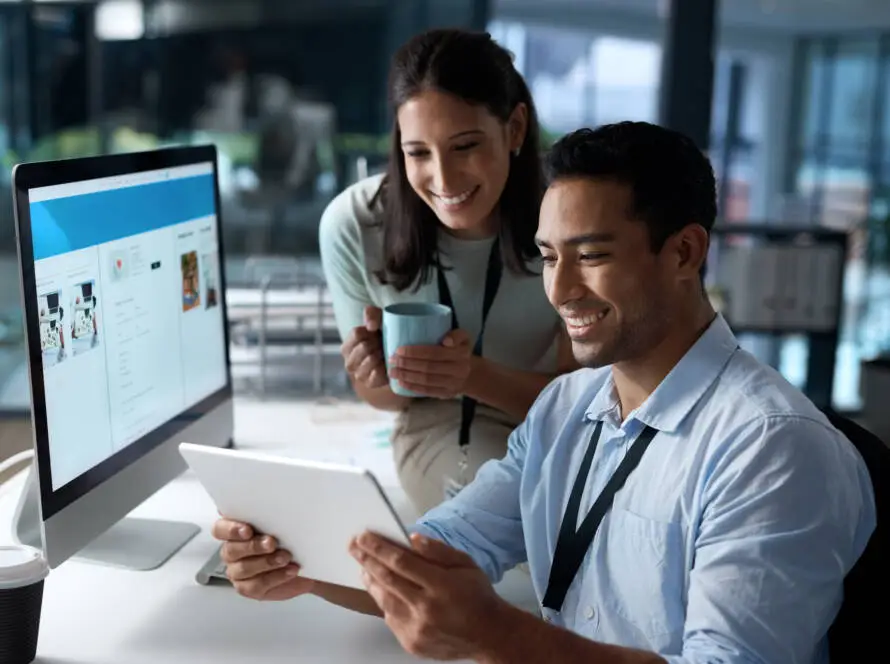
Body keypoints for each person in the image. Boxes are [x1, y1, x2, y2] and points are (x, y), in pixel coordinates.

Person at [213, 122, 877, 663]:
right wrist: (300, 566)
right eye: (550, 257)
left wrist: (496, 633)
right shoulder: (568, 407)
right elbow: (441, 550)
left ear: (683, 253)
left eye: (590, 256)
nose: (560, 292)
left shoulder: (773, 447)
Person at [318, 28, 576, 515]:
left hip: (550, 428)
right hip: (430, 431)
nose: (443, 178)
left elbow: (586, 413)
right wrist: (376, 372)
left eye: (465, 146)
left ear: (515, 129)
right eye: (418, 152)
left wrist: (470, 376)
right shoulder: (354, 223)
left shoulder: (569, 220)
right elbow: (385, 400)